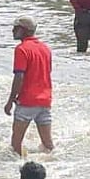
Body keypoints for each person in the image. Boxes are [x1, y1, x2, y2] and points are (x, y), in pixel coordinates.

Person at [4, 16, 54, 156]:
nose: (13, 30)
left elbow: (19, 76)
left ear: (24, 30)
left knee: (15, 145)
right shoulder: (45, 49)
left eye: (16, 28)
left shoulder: (21, 49)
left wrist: (10, 101)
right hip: (45, 101)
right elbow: (46, 73)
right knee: (48, 145)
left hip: (27, 102)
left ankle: (16, 171)